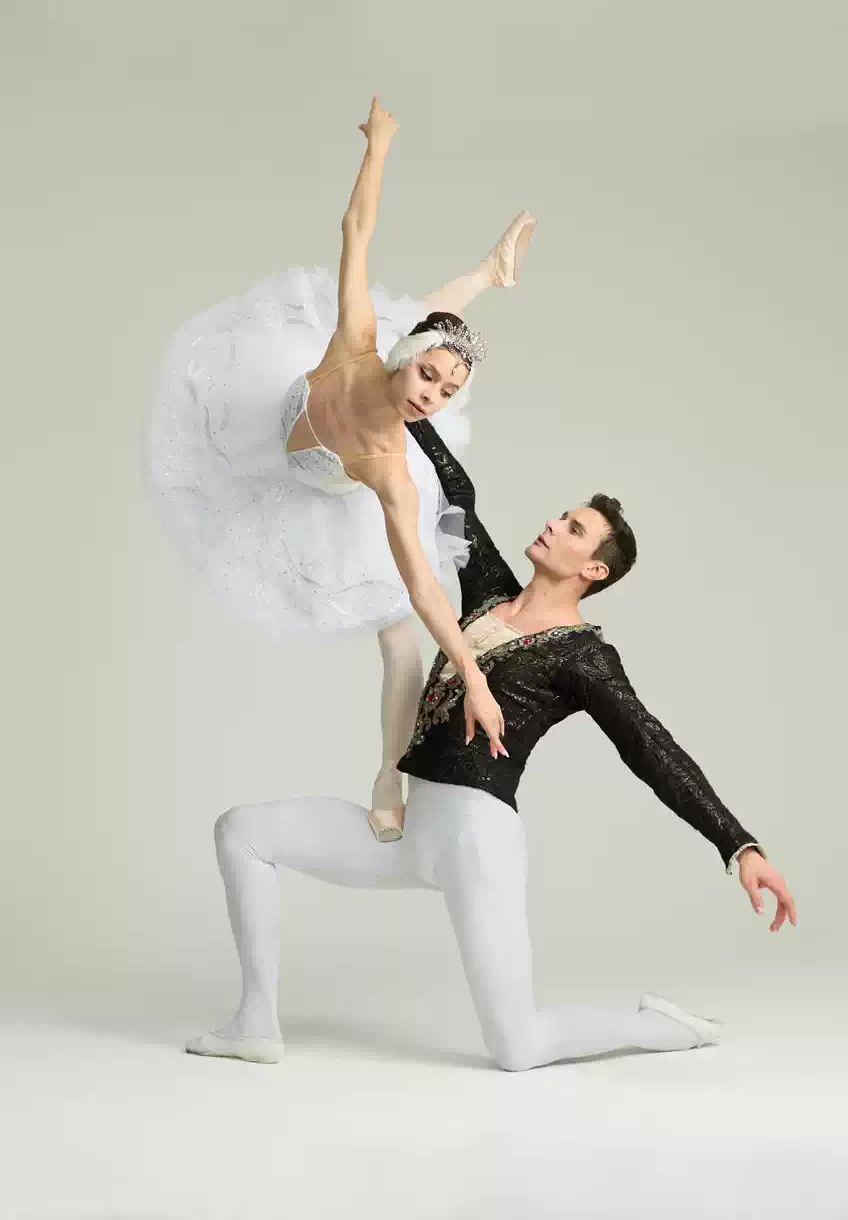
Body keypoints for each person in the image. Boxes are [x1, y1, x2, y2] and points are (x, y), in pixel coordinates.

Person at [184, 419, 797, 1071]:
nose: (554, 524)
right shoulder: (488, 597)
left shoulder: (584, 656)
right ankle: (255, 1022)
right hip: (410, 832)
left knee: (516, 1047)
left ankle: (667, 1028)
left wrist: (739, 845)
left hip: (476, 842)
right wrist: (401, 401)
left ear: (593, 569)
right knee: (242, 832)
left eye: (574, 529)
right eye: (562, 516)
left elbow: (651, 747)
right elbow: (456, 496)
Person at [143, 97, 537, 840]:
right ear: (401, 363)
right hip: (276, 411)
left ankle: (389, 773)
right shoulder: (358, 343)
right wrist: (378, 146)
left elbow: (425, 587)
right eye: (427, 378)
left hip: (329, 491)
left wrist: (474, 674)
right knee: (408, 318)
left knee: (397, 633)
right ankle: (489, 272)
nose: (431, 397)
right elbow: (357, 230)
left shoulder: (391, 470)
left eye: (446, 393)